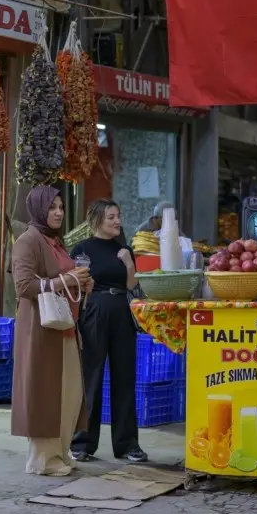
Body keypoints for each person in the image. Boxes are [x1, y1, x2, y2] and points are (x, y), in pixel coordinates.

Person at [10, 185, 92, 476]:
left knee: (68, 395)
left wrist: (80, 285)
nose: (58, 212)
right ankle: (43, 459)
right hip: (41, 331)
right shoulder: (27, 241)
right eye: (52, 207)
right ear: (38, 210)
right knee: (46, 394)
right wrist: (65, 280)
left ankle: (60, 452)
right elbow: (23, 286)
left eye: (61, 207)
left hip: (64, 329)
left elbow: (62, 280)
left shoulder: (55, 242)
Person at [69, 199, 147, 464]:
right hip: (95, 312)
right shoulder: (83, 249)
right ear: (97, 219)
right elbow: (75, 284)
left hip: (122, 312)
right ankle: (82, 443)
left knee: (124, 377)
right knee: (91, 377)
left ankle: (127, 444)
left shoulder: (124, 249)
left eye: (119, 216)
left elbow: (133, 287)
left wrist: (128, 263)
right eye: (111, 217)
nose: (117, 221)